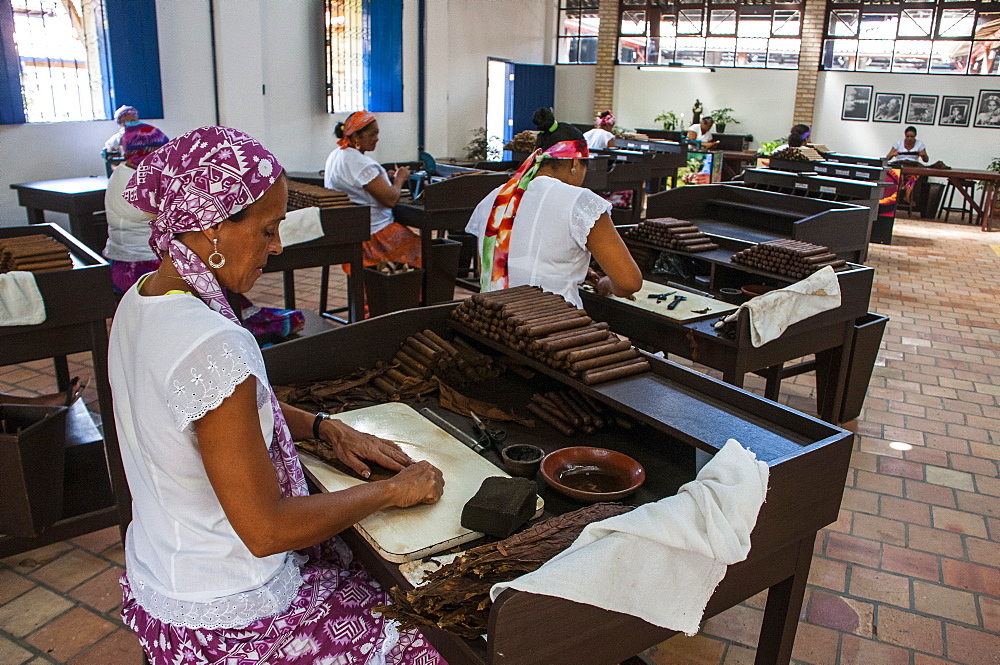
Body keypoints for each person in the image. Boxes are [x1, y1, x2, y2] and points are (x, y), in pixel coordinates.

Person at [112, 126, 446, 665]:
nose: (278, 245)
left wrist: (324, 426)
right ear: (214, 225)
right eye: (268, 229)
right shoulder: (211, 342)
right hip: (226, 618)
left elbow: (210, 406)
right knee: (427, 639)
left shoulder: (142, 300)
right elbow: (266, 530)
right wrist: (394, 491)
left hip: (166, 581)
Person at [466, 108, 642, 308]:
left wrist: (573, 270)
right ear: (575, 162)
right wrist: (605, 283)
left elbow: (487, 270)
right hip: (552, 325)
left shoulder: (496, 198)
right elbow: (629, 282)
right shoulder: (580, 202)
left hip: (497, 320)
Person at [324, 111, 421, 270]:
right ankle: (411, 292)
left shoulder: (337, 155)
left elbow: (358, 186)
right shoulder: (361, 163)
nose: (376, 138)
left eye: (377, 133)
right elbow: (390, 200)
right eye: (372, 134)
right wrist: (400, 178)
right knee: (427, 254)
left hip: (351, 232)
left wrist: (384, 178)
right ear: (356, 137)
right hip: (375, 235)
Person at [886, 126, 929, 203]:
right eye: (907, 136)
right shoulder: (898, 143)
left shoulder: (920, 144)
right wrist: (893, 154)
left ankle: (907, 196)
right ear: (905, 135)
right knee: (898, 176)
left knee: (912, 177)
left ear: (915, 136)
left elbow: (926, 160)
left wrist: (923, 155)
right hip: (900, 164)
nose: (909, 138)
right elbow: (887, 158)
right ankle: (893, 198)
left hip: (913, 166)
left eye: (912, 137)